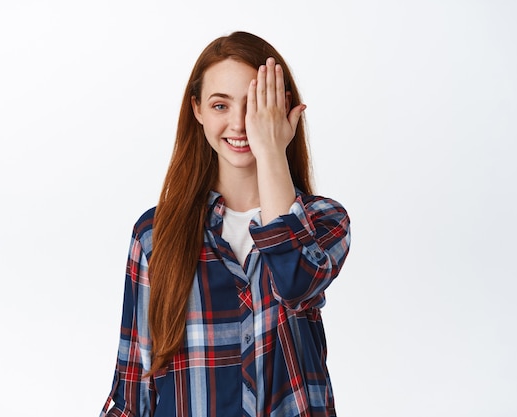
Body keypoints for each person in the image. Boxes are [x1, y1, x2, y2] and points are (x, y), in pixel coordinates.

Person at [100, 31, 351, 417]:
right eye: (221, 105)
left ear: (279, 109)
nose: (238, 123)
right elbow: (134, 389)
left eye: (254, 106)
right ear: (197, 110)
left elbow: (295, 281)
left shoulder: (323, 221)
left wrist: (270, 149)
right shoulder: (155, 235)